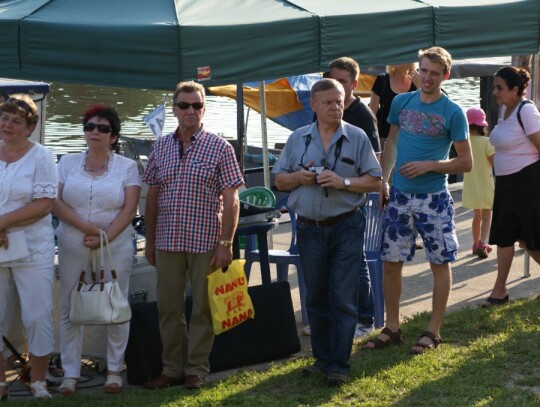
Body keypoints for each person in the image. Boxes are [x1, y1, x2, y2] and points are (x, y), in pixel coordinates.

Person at [273, 78, 382, 386]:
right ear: (314, 105)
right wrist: (300, 177)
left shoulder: (358, 137)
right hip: (310, 229)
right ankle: (322, 359)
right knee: (317, 297)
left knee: (344, 297)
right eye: (329, 102)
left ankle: (339, 364)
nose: (336, 107)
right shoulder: (298, 139)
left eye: (339, 100)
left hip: (347, 224)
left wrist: (344, 182)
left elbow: (375, 181)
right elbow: (279, 180)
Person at [364, 46, 472, 354]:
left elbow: (466, 162)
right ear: (416, 71)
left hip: (434, 199)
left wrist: (431, 165)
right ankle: (392, 327)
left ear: (445, 76)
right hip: (399, 196)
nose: (427, 78)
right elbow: (393, 142)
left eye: (434, 73)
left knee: (440, 262)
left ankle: (432, 331)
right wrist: (383, 182)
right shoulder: (400, 102)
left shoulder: (453, 111)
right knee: (391, 262)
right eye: (423, 71)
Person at [143, 81, 243, 390]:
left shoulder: (220, 147)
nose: (190, 111)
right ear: (174, 109)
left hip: (206, 241)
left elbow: (232, 201)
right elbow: (151, 196)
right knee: (168, 308)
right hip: (168, 240)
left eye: (196, 106)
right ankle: (171, 368)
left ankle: (196, 369)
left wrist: (226, 243)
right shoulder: (159, 147)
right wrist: (149, 240)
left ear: (204, 109)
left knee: (202, 308)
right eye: (184, 105)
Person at [54, 104, 141, 394]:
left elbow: (130, 210)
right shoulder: (65, 162)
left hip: (115, 246)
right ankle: (70, 373)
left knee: (116, 305)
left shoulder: (128, 167)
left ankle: (115, 370)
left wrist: (105, 237)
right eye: (90, 127)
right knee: (69, 306)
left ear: (113, 136)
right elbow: (56, 203)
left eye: (103, 128)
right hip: (72, 243)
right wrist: (92, 231)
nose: (95, 132)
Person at [0, 94, 58, 399]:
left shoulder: (42, 157)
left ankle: (37, 381)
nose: (8, 125)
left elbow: (44, 204)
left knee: (37, 314)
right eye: (4, 118)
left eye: (16, 121)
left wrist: (2, 223)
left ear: (30, 127)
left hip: (34, 248)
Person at [327, 56, 381, 338]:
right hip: (326, 200)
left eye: (342, 82)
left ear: (354, 84)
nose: (336, 86)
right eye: (332, 79)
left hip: (355, 200)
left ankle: (366, 318)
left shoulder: (362, 115)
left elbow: (377, 163)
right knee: (329, 260)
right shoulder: (323, 108)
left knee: (357, 260)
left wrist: (348, 180)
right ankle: (332, 316)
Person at [481, 66, 540, 308]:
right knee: (504, 237)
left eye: (499, 88)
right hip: (506, 183)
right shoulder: (506, 108)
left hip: (527, 183)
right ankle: (499, 290)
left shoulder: (527, 111)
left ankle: (499, 290)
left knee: (531, 239)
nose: (494, 92)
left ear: (515, 90)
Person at [462, 107, 495, 259]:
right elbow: (494, 163)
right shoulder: (487, 142)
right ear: (482, 126)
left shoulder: (465, 143)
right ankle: (482, 243)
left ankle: (475, 244)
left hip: (471, 186)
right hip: (485, 185)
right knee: (487, 214)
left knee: (477, 216)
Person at [369, 63, 420, 149]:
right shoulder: (382, 80)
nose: (396, 60)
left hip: (410, 141)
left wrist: (420, 88)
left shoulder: (417, 81)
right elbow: (371, 112)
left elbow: (427, 109)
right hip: (384, 139)